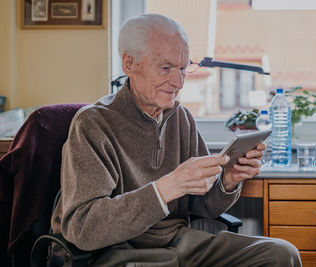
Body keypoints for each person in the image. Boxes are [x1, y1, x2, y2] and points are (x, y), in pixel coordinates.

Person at [51, 13, 301, 267]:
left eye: (183, 68)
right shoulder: (94, 124)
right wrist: (167, 187)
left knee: (282, 254)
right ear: (129, 64)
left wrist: (228, 181)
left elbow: (203, 207)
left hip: (180, 244)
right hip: (120, 252)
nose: (179, 82)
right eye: (166, 68)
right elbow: (83, 228)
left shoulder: (181, 118)